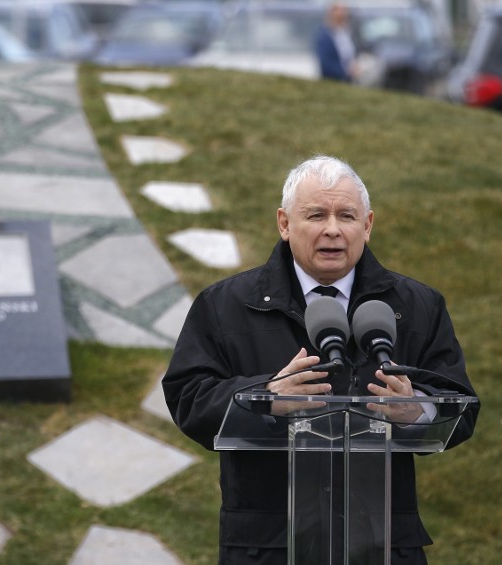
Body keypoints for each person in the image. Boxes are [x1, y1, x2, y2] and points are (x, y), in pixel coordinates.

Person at [162, 155, 479, 564]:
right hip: (268, 546)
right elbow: (187, 397)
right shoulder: (225, 306)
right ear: (284, 223)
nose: (332, 229)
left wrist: (418, 410)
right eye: (316, 215)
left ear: (366, 226)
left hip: (384, 546)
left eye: (347, 216)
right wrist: (265, 397)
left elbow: (462, 407)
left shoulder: (417, 306)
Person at [315, 3, 356, 82]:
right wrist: (346, 72)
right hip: (337, 79)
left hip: (351, 77)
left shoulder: (346, 32)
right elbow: (326, 64)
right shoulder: (325, 36)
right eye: (339, 10)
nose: (343, 13)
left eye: (344, 10)